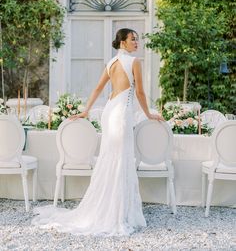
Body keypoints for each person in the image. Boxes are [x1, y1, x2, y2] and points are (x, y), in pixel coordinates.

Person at [32, 28, 163, 236]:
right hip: (120, 114)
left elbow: (97, 89)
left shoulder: (110, 63)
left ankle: (112, 209)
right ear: (122, 42)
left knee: (111, 159)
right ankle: (118, 213)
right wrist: (148, 114)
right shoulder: (135, 62)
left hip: (110, 112)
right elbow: (139, 92)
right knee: (119, 160)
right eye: (132, 40)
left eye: (137, 40)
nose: (136, 43)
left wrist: (87, 110)